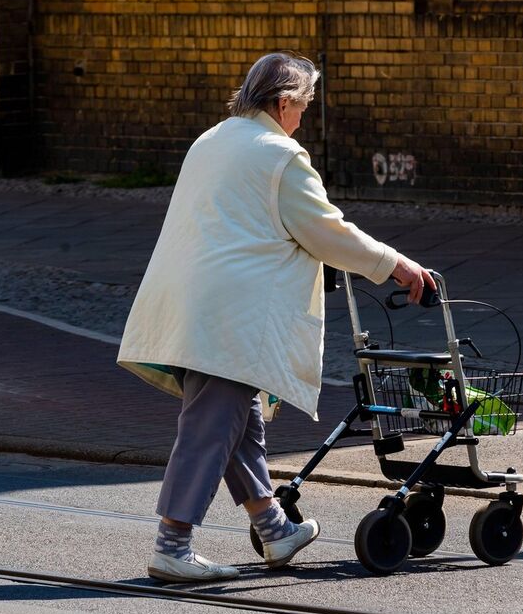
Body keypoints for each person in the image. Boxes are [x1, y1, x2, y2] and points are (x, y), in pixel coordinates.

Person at [117, 52, 435, 583]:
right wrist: (396, 265)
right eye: (303, 106)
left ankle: (273, 528)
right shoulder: (279, 156)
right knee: (210, 426)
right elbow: (327, 231)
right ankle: (172, 545)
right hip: (233, 316)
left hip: (192, 302)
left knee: (237, 422)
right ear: (284, 100)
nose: (303, 117)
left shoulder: (213, 139)